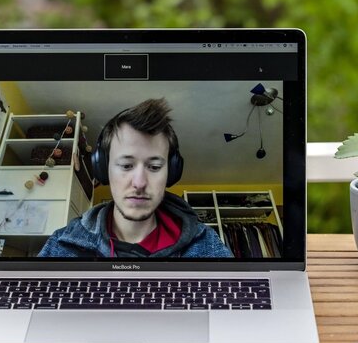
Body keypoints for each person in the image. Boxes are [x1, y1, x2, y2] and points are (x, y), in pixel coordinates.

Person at [38, 98, 232, 258]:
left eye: (154, 167)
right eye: (126, 166)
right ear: (103, 169)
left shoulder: (206, 246)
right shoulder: (63, 245)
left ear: (171, 173)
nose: (139, 183)